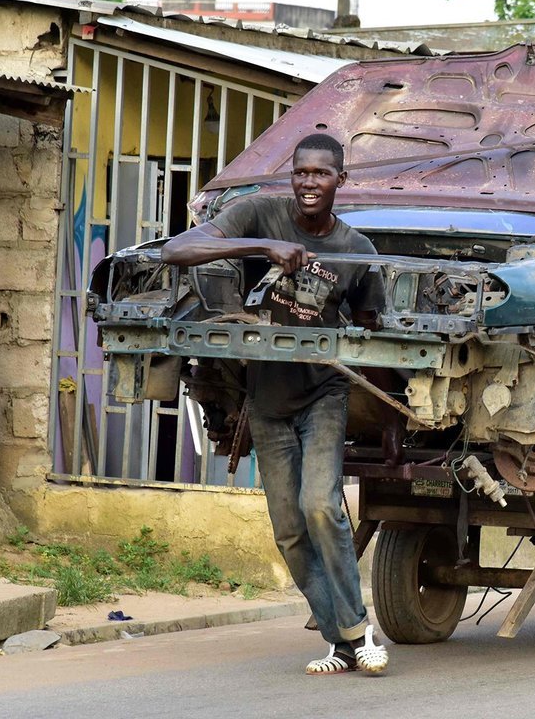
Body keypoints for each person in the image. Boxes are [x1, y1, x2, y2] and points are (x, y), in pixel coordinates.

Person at [162, 133, 388, 676]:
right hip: (265, 400)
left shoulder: (357, 251)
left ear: (341, 180)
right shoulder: (260, 212)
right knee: (287, 528)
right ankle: (339, 641)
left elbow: (372, 323)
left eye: (322, 174)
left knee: (320, 507)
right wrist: (260, 248)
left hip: (323, 396)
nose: (310, 182)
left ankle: (360, 630)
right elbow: (177, 251)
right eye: (301, 172)